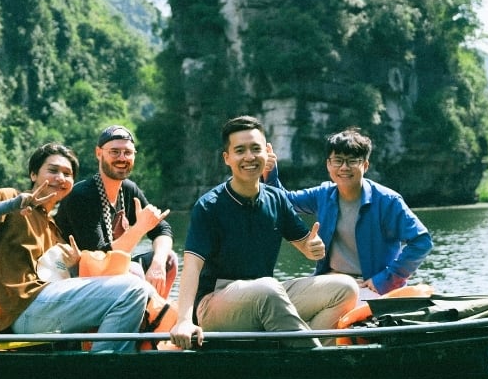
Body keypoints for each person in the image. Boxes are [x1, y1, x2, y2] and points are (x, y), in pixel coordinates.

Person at [168, 116, 358, 350]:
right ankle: (315, 357)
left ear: (267, 154)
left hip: (266, 294)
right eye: (240, 150)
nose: (249, 156)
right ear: (227, 158)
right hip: (214, 304)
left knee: (345, 288)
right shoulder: (209, 206)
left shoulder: (276, 198)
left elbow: (307, 248)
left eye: (256, 149)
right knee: (267, 288)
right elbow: (192, 267)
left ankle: (306, 350)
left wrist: (313, 247)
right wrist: (184, 320)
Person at [0, 142, 151, 353]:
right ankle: (103, 365)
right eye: (53, 170)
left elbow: (57, 278)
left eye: (67, 174)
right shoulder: (10, 198)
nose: (60, 178)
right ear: (34, 174)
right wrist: (12, 205)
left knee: (134, 276)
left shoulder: (53, 228)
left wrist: (75, 266)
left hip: (45, 310)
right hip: (23, 311)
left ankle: (112, 354)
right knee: (132, 289)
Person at [266, 127, 432, 303]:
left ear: (365, 165)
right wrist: (270, 172)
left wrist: (386, 279)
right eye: (337, 160)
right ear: (328, 164)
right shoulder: (323, 194)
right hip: (329, 281)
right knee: (274, 299)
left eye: (352, 161)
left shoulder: (387, 201)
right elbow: (284, 201)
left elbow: (422, 241)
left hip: (367, 286)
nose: (344, 167)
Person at [55, 125, 177, 298]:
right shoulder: (81, 196)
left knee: (169, 259)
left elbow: (162, 229)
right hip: (78, 279)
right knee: (133, 271)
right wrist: (139, 228)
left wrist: (157, 263)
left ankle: (154, 317)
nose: (122, 158)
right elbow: (100, 258)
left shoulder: (128, 189)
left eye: (127, 152)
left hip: (110, 272)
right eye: (114, 152)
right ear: (99, 153)